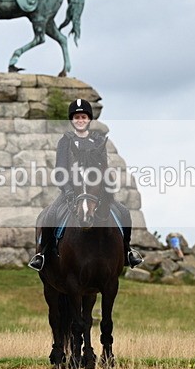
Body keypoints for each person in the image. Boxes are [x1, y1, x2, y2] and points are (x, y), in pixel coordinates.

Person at [28, 98, 142, 271]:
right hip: (71, 192)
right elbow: (60, 170)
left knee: (124, 212)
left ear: (89, 119)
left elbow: (104, 170)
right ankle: (43, 255)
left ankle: (127, 251)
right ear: (72, 120)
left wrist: (105, 190)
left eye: (83, 117)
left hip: (96, 193)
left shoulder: (98, 142)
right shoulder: (65, 141)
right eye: (76, 117)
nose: (80, 120)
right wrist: (67, 190)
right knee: (50, 215)